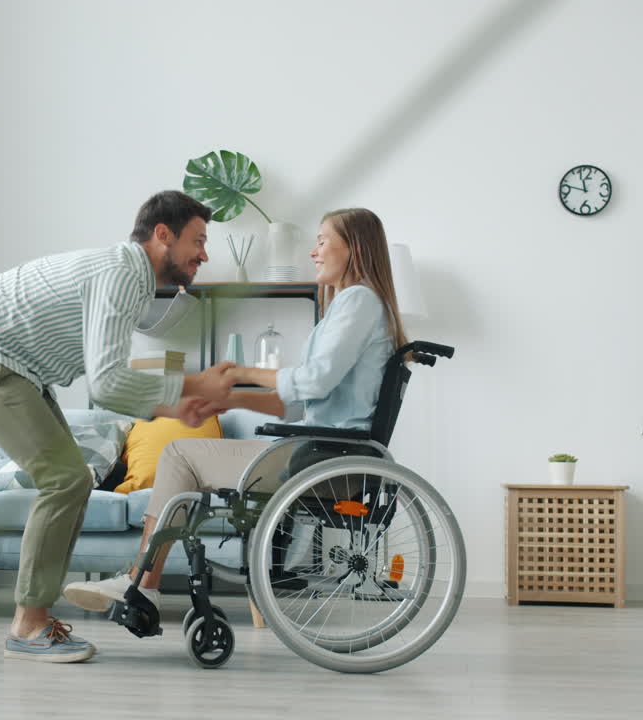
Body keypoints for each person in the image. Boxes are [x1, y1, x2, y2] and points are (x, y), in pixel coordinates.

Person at [0, 190, 237, 663]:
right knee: (67, 479)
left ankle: (33, 619)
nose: (204, 253)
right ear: (162, 235)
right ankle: (28, 626)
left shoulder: (130, 278)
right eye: (197, 240)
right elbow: (110, 382)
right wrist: (187, 389)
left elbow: (111, 375)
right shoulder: (121, 272)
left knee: (71, 482)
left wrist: (179, 398)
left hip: (12, 367)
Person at [62, 207, 409, 614]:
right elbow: (296, 400)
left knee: (178, 454)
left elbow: (313, 380)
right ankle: (143, 582)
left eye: (321, 241)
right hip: (323, 454)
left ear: (353, 249)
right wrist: (229, 397)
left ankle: (140, 583)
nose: (313, 252)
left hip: (323, 460)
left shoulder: (358, 300)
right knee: (183, 457)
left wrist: (244, 371)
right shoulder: (354, 305)